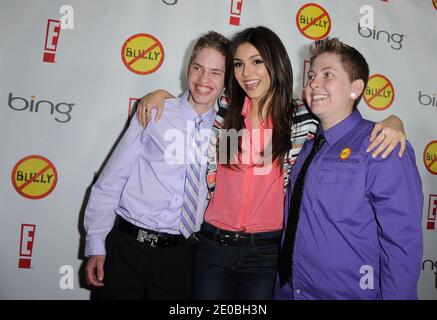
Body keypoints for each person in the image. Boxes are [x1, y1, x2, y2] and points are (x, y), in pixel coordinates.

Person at [137, 27, 407, 300]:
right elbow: (194, 98)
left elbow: (344, 118)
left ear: (274, 63)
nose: (247, 73)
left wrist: (394, 121)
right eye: (239, 65)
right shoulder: (224, 110)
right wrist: (160, 94)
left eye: (257, 62)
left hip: (265, 254)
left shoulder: (301, 118)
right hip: (213, 248)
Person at [83, 31, 229, 299]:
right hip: (127, 248)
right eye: (198, 68)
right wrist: (96, 245)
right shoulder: (154, 112)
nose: (203, 80)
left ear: (226, 79)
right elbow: (111, 180)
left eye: (215, 72)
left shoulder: (228, 130)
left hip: (181, 259)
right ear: (188, 69)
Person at [274, 38, 423, 300]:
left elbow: (402, 243)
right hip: (289, 292)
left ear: (356, 89)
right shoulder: (307, 146)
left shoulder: (381, 144)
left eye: (327, 75)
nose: (313, 83)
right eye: (311, 75)